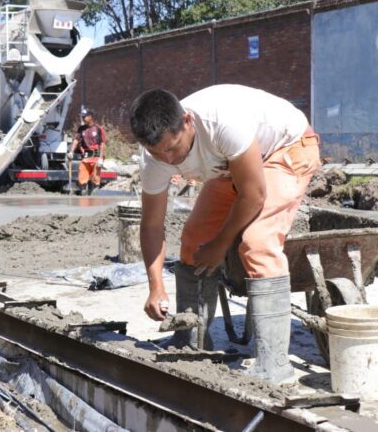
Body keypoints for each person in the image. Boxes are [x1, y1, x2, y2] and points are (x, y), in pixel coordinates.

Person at [129, 85, 320, 383]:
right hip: (229, 166)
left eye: (173, 148)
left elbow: (254, 194)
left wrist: (221, 244)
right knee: (193, 239)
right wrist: (155, 285)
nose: (168, 159)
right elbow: (151, 225)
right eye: (157, 152)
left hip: (286, 148)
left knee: (257, 242)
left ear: (188, 122)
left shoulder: (223, 123)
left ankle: (275, 364)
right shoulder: (154, 157)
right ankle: (190, 340)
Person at [67, 107, 106, 195]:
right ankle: (83, 195)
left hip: (96, 157)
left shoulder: (98, 129)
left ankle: (94, 196)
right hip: (86, 157)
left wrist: (101, 158)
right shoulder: (81, 129)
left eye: (84, 116)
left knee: (95, 178)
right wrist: (71, 152)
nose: (83, 118)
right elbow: (76, 140)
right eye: (82, 117)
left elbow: (102, 144)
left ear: (90, 117)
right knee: (82, 176)